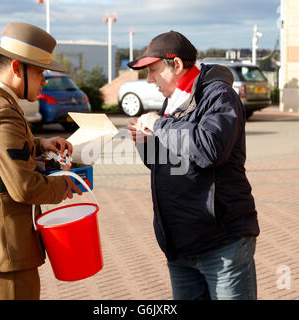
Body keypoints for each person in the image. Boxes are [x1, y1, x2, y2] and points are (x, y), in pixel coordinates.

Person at [127, 31, 259, 300]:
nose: (150, 80)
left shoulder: (219, 95)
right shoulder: (173, 101)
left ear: (176, 65)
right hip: (179, 247)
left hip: (222, 245)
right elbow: (164, 164)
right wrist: (144, 143)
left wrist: (158, 124)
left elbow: (208, 149)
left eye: (153, 71)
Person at [0, 22, 82, 300]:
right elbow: (24, 188)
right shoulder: (3, 113)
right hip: (5, 253)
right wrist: (67, 185)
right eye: (40, 72)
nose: (44, 81)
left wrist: (40, 146)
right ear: (16, 68)